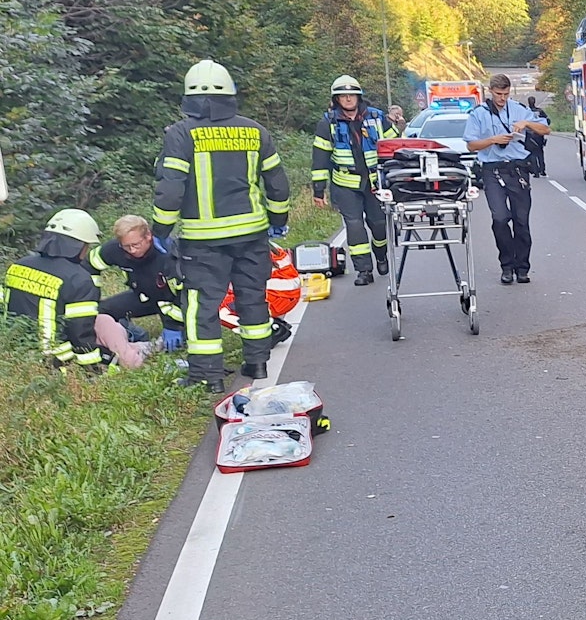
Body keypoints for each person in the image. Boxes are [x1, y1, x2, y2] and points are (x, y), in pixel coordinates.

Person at [154, 59, 290, 392]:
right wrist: (277, 221)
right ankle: (257, 363)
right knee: (252, 298)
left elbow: (171, 187)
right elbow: (277, 183)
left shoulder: (181, 134)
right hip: (252, 234)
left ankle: (207, 375)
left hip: (203, 240)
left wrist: (161, 229)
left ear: (188, 96)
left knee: (202, 304)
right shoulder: (255, 130)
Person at [463, 74, 548, 285]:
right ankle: (507, 265)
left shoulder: (518, 109)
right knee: (500, 218)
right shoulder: (479, 114)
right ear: (490, 91)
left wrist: (527, 123)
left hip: (518, 170)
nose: (502, 98)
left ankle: (522, 268)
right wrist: (493, 140)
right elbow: (471, 146)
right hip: (492, 170)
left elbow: (546, 129)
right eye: (498, 94)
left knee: (521, 221)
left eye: (506, 94)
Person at [3, 210, 109, 371]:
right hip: (50, 360)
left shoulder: (20, 264)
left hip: (10, 351)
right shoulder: (79, 279)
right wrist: (93, 372)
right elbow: (80, 333)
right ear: (79, 245)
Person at [310, 75, 390, 286]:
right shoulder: (328, 123)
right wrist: (319, 190)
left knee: (379, 224)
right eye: (343, 95)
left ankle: (381, 254)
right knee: (354, 226)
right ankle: (364, 270)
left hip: (374, 182)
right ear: (336, 99)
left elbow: (395, 145)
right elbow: (320, 158)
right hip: (345, 183)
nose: (347, 99)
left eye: (351, 95)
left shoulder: (377, 117)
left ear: (358, 96)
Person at [90, 215, 186, 352]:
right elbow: (90, 264)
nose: (132, 250)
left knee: (174, 345)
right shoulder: (114, 249)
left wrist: (174, 326)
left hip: (171, 303)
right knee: (102, 310)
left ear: (148, 236)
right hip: (142, 296)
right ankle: (131, 334)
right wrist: (92, 293)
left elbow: (184, 293)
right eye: (126, 246)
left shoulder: (168, 253)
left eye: (136, 245)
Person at [524, 95, 551, 177]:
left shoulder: (525, 111)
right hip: (539, 134)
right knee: (540, 153)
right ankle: (542, 170)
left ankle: (536, 172)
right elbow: (548, 120)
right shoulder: (539, 111)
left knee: (532, 154)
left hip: (529, 135)